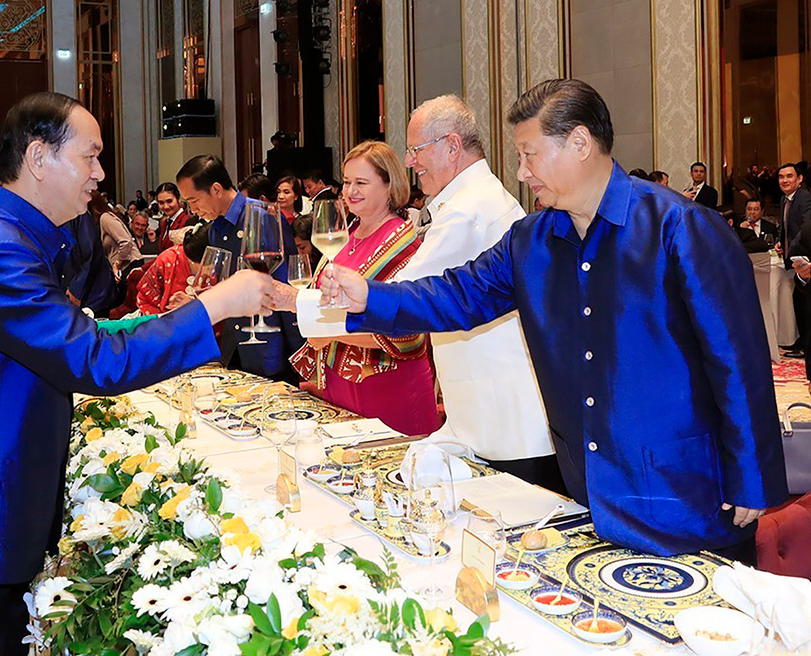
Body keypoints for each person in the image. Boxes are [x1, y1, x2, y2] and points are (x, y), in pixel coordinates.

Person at [310, 79, 787, 560]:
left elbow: (736, 358)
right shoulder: (530, 242)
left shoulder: (678, 227)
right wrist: (369, 294)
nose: (521, 171)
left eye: (530, 155)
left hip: (686, 495)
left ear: (579, 143)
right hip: (588, 493)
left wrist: (751, 476)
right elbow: (455, 294)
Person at [0, 92, 274, 655]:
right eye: (89, 157)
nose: (99, 174)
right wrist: (214, 306)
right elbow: (93, 358)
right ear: (39, 158)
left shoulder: (19, 237)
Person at [289, 95, 557, 489]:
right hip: (485, 410)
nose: (410, 162)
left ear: (451, 146)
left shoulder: (468, 210)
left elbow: (407, 298)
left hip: (503, 418)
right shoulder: (466, 201)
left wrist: (293, 303)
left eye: (416, 150)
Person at [285, 141, 440, 436]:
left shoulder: (404, 244)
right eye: (346, 182)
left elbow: (408, 333)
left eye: (361, 183)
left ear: (388, 186)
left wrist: (329, 333)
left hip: (387, 389)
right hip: (340, 384)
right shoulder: (348, 232)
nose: (350, 191)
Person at [177, 154, 304, 383]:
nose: (192, 209)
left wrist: (302, 356)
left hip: (270, 346)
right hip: (235, 344)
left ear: (216, 189)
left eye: (194, 201)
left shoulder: (263, 216)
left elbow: (287, 285)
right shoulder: (216, 228)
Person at [776, 163, 811, 357]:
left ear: (799, 179)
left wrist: (793, 249)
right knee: (798, 300)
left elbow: (806, 226)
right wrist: (782, 243)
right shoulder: (785, 199)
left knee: (805, 303)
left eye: (790, 176)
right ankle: (802, 342)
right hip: (793, 257)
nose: (785, 180)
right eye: (781, 177)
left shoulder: (804, 197)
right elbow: (787, 225)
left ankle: (806, 345)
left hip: (805, 257)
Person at [137, 222, 211, 314]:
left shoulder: (224, 265)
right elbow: (144, 299)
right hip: (164, 321)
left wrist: (194, 305)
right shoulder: (168, 259)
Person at [94, 191, 142, 279]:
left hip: (130, 265)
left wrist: (117, 263)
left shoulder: (105, 218)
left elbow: (126, 241)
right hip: (124, 266)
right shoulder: (102, 219)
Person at [155, 181, 196, 249]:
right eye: (161, 202)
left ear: (178, 199)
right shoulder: (164, 223)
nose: (166, 206)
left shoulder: (187, 221)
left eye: (169, 201)